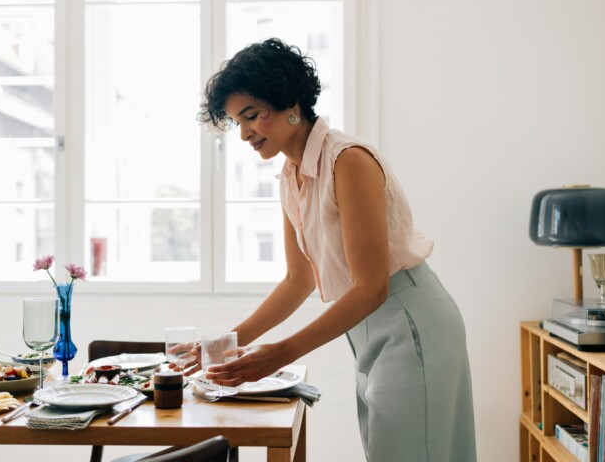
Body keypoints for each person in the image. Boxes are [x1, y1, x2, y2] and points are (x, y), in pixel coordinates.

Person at [191, 38, 476, 461]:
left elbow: (372, 286)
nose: (245, 134)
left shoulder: (348, 160)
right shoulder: (291, 176)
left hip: (409, 321)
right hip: (367, 330)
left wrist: (281, 353)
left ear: (289, 101)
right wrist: (228, 344)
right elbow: (297, 280)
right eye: (237, 122)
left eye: (251, 116)